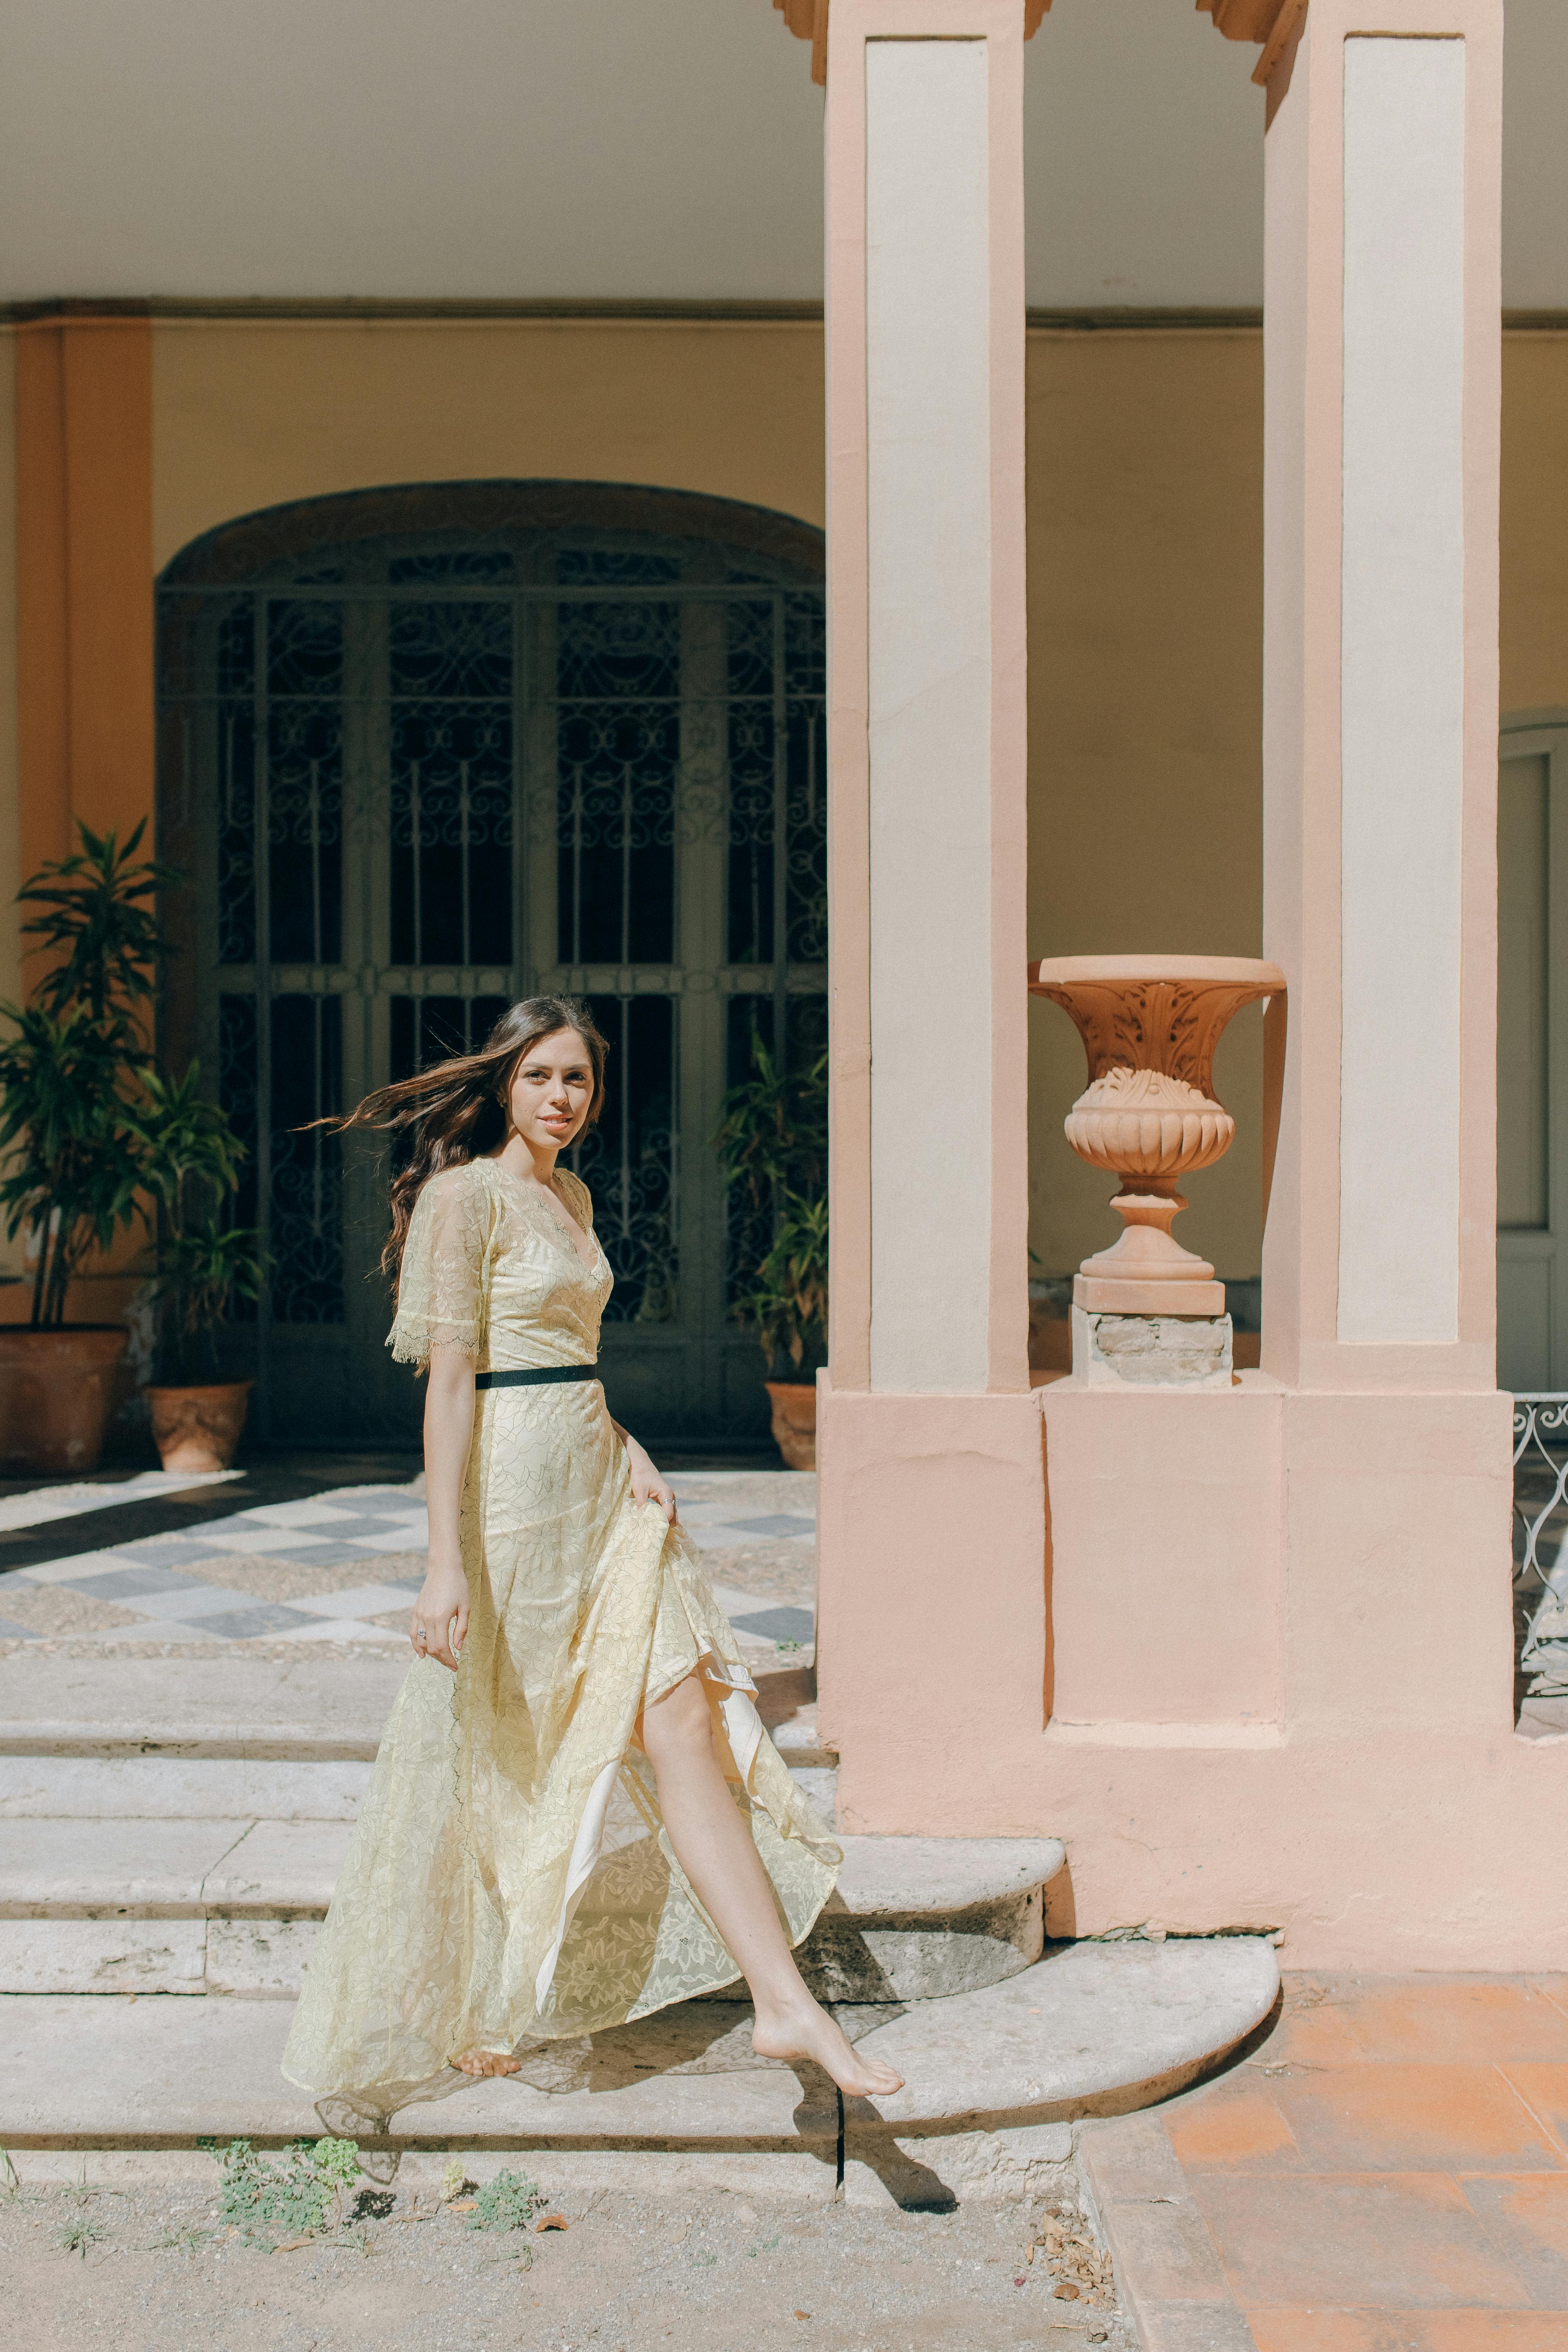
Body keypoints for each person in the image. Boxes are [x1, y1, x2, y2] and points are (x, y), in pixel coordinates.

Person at [282, 995, 902, 2124]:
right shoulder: (464, 1199)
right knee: (505, 1746)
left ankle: (786, 2002)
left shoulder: (568, 1193)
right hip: (513, 1502)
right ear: (502, 1085)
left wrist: (633, 1448)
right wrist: (442, 1565)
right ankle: (480, 1994)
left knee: (683, 1729)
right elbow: (456, 1384)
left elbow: (567, 1356)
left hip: (600, 1480)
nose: (563, 1098)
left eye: (579, 1080)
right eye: (541, 1077)